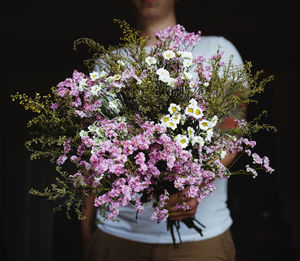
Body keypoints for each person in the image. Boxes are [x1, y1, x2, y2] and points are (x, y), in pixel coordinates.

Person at [81, 0, 244, 260]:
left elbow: (232, 132)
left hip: (200, 241)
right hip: (116, 233)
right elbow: (92, 151)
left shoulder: (217, 49)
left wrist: (195, 183)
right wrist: (86, 226)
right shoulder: (106, 63)